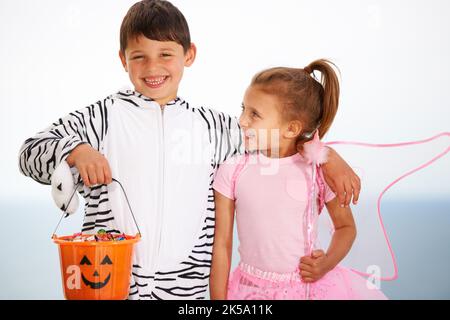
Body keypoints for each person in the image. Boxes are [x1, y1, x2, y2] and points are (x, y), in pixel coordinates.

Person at [18, 1, 360, 300]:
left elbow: (279, 139)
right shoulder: (102, 118)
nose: (153, 68)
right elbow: (29, 153)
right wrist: (77, 151)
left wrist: (328, 157)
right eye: (140, 57)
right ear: (123, 60)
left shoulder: (217, 128)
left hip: (188, 291)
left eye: (166, 54)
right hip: (110, 283)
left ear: (189, 55)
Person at [210, 60, 387, 299]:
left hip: (307, 289)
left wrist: (325, 264)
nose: (242, 120)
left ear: (291, 129)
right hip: (248, 291)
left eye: (255, 114)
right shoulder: (232, 171)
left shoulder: (318, 172)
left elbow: (346, 227)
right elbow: (221, 245)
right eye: (243, 108)